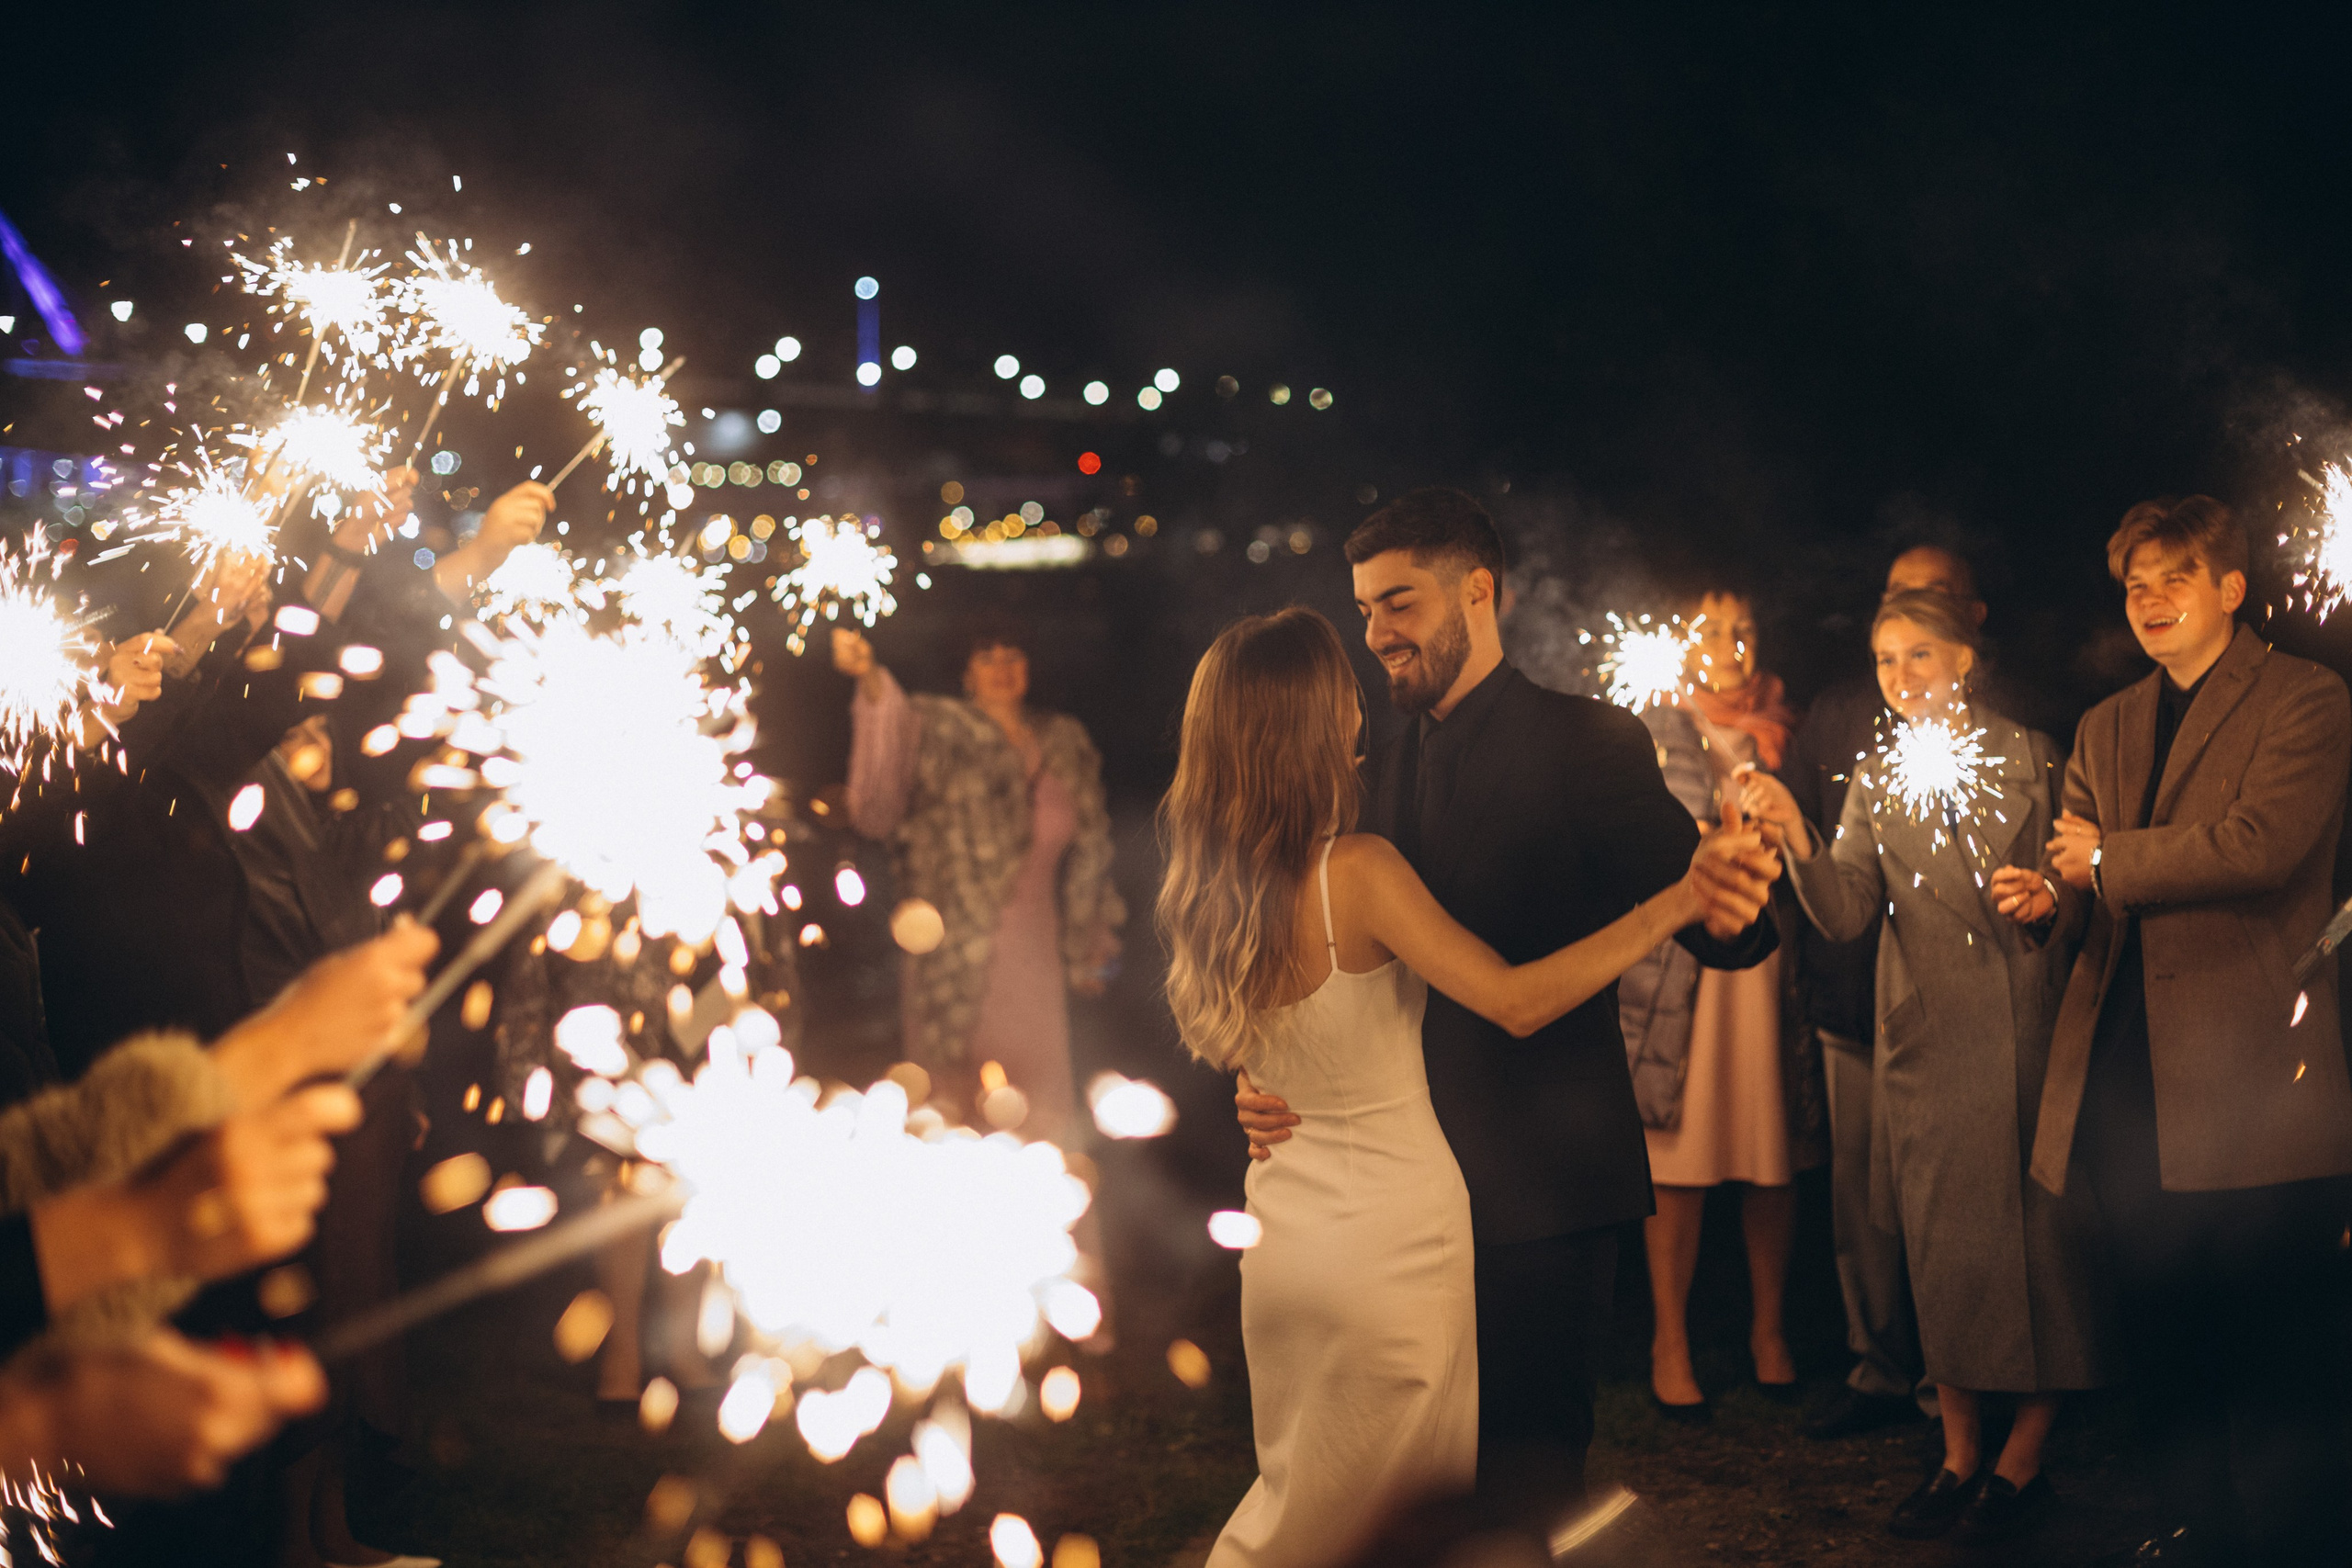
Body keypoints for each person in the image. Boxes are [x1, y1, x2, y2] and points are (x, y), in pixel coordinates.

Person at [1162, 607, 1772, 1567]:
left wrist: (1257, 1086)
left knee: (1301, 1500)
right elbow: (1518, 1002)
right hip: (1393, 1243)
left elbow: (1264, 1047)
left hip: (1283, 1239)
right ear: (1315, 722)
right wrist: (1680, 899)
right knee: (1396, 1525)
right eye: (1341, 697)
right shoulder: (1357, 871)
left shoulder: (1209, 882)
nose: (1361, 713)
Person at [1746, 589, 2110, 1545]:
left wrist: (2049, 904)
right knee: (1939, 1251)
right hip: (1927, 1044)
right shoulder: (1871, 777)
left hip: (2025, 1033)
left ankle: (2022, 1458)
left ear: (1962, 660)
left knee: (2040, 1249)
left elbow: (2080, 890)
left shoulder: (2033, 758)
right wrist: (1794, 833)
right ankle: (1956, 1458)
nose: (1899, 677)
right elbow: (1844, 912)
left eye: (1918, 655)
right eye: (1883, 659)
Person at [2027, 496, 2352, 1566]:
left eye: (2174, 578)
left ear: (2230, 588)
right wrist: (2048, 899)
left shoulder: (2305, 698)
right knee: (2159, 1338)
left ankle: (2291, 1541)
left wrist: (2108, 863)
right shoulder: (2106, 723)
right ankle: (2187, 1532)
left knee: (2273, 1345)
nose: (2151, 601)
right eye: (2134, 585)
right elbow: (2081, 878)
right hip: (2126, 1084)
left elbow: (2258, 845)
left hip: (2252, 1078)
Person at [1787, 543, 1986, 1441]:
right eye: (1888, 630)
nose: (1904, 658)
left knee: (1952, 1207)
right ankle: (1880, 1371)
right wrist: (1789, 836)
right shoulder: (1843, 728)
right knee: (1866, 1206)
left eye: (1927, 612)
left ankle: (1965, 1385)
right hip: (1852, 1003)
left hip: (1960, 1026)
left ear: (1966, 627)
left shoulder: (2013, 745)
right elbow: (1837, 894)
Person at [1619, 583, 1818, 1418]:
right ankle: (1671, 1340)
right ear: (1683, 639)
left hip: (1772, 969)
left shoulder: (1788, 732)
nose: (1731, 642)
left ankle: (1769, 1332)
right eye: (1712, 628)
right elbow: (1627, 842)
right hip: (1682, 973)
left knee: (1769, 1147)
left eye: (1745, 626)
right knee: (1681, 1158)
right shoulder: (1648, 725)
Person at [835, 619, 1124, 1143]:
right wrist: (871, 677)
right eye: (987, 656)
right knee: (956, 1104)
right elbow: (876, 799)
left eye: (1014, 654)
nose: (1003, 669)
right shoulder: (937, 731)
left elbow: (1092, 854)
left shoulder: (1063, 741)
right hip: (954, 956)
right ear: (965, 672)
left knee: (1040, 1110)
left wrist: (1094, 938)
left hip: (1037, 960)